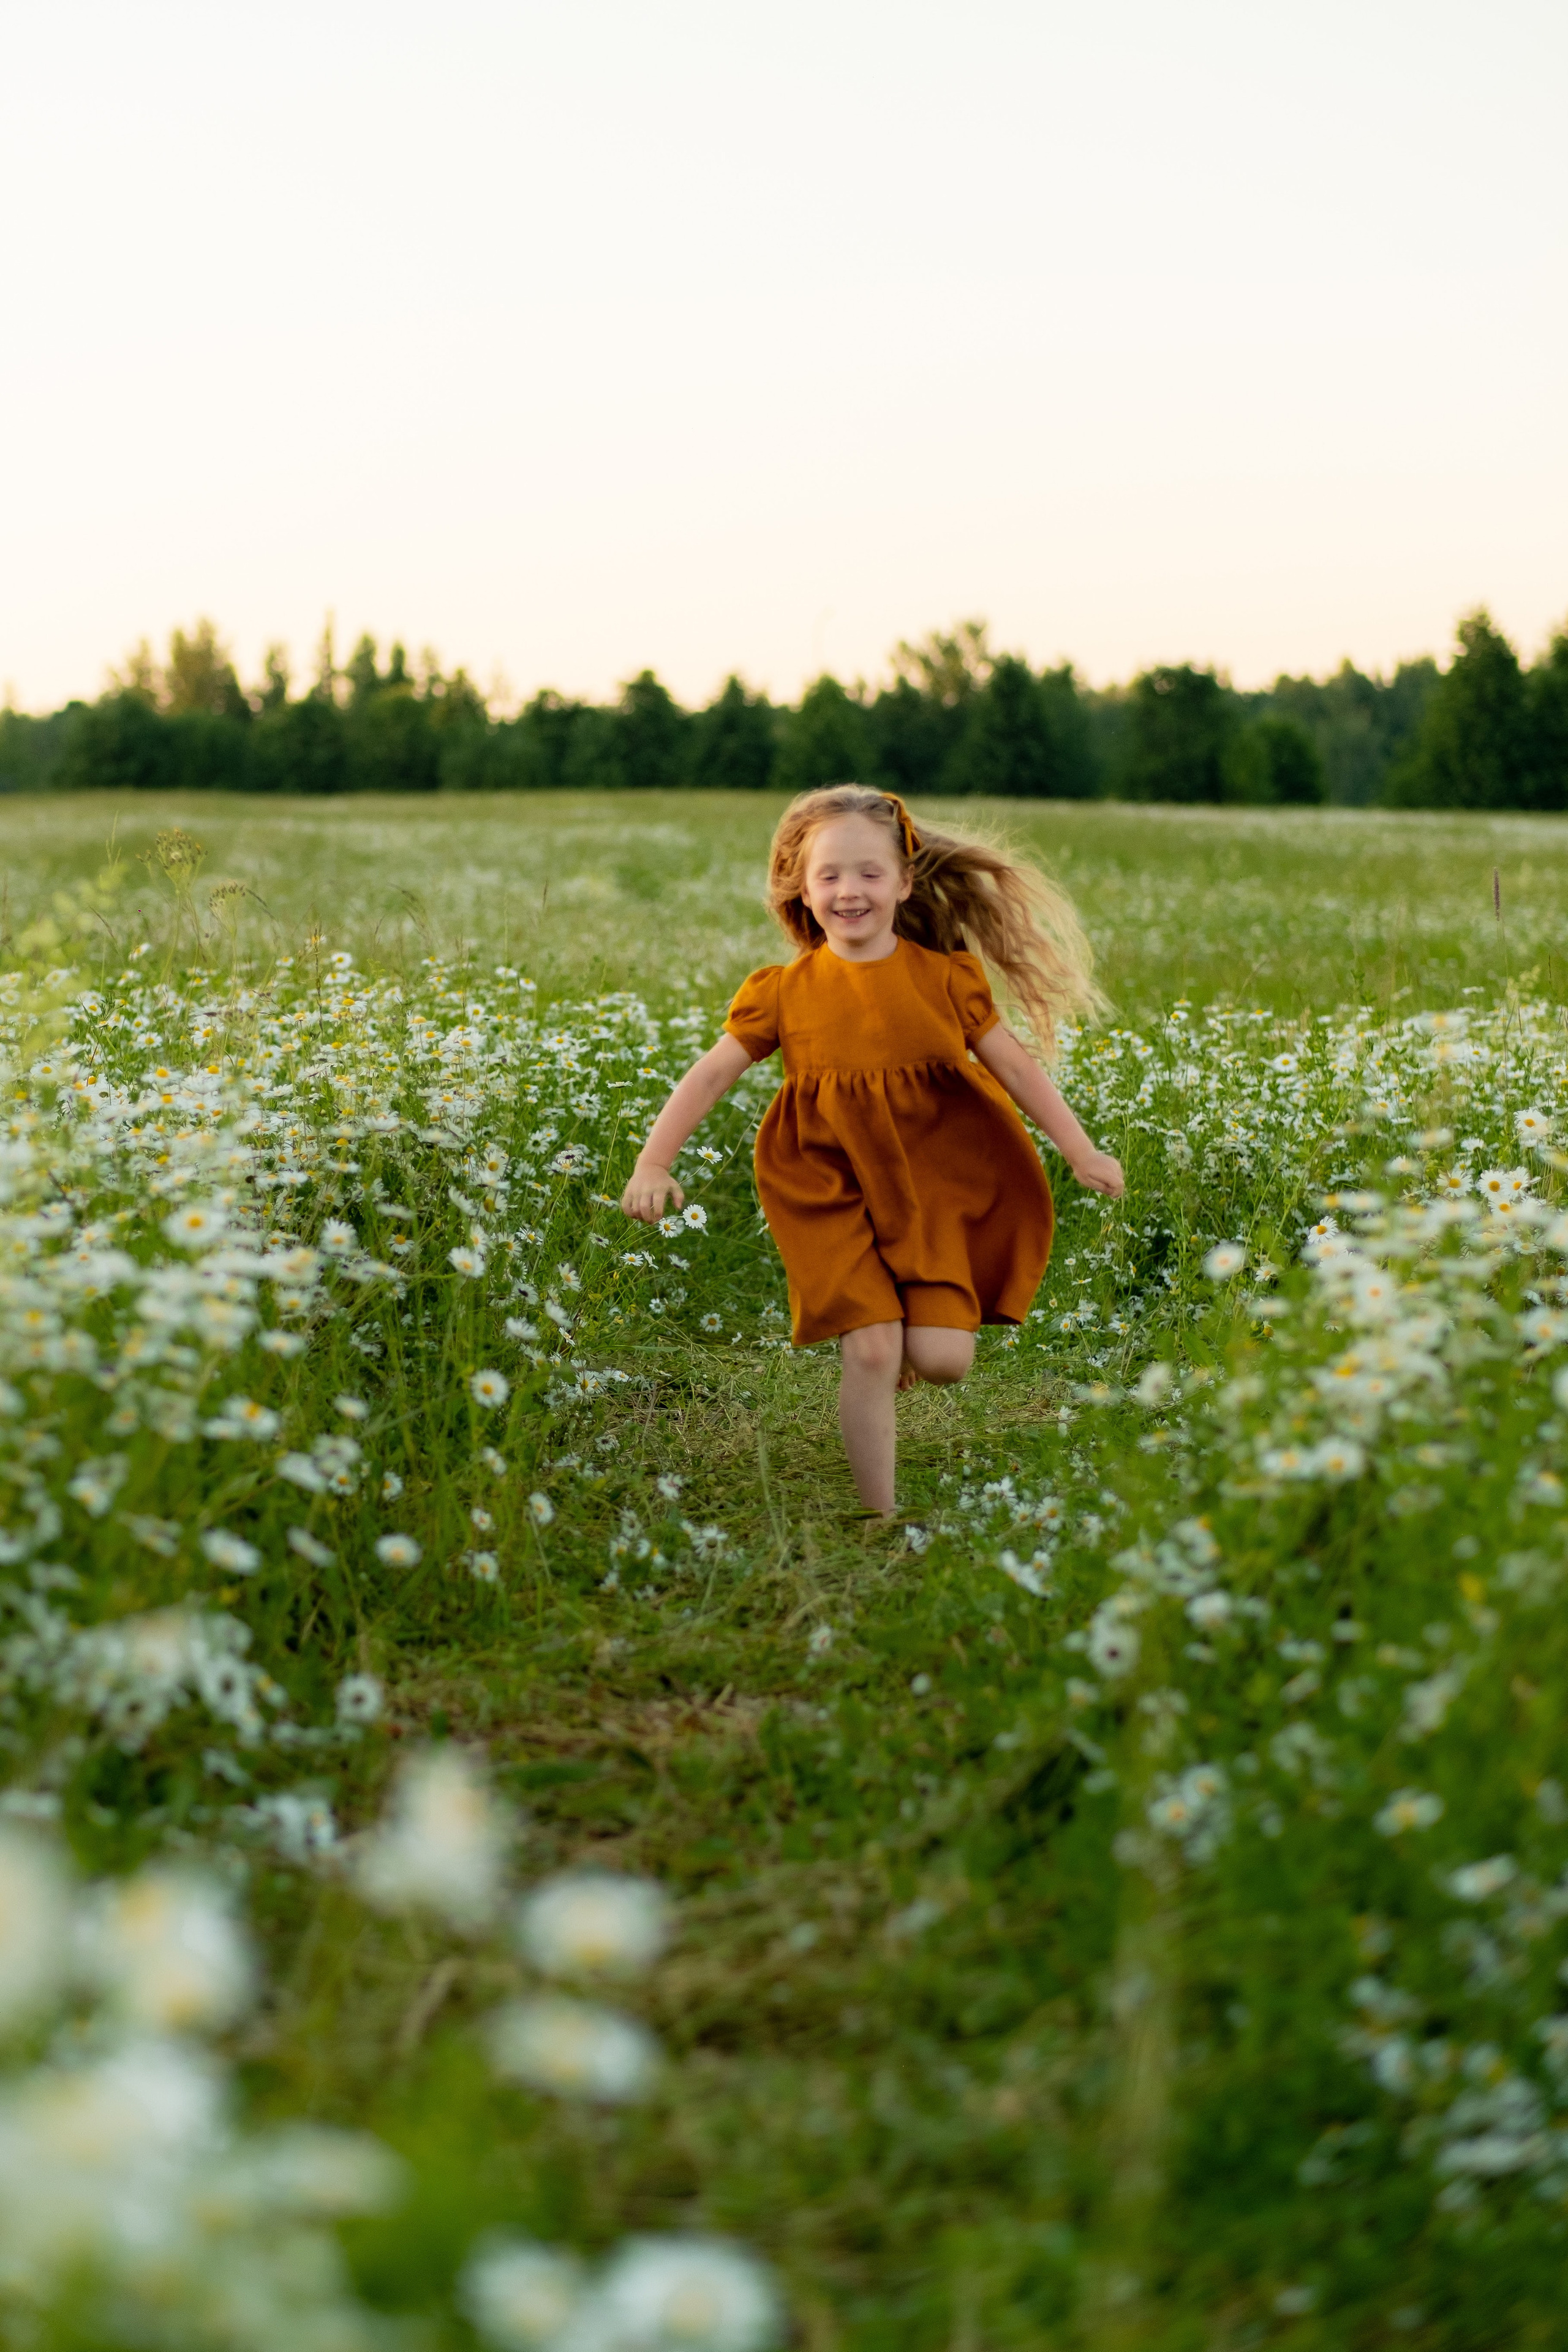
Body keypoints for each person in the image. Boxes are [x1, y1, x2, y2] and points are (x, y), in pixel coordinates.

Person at [620, 785, 1124, 1515]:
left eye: (868, 873)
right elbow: (709, 1074)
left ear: (904, 882)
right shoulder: (782, 992)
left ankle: (893, 1332)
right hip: (824, 1186)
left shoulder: (945, 979)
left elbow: (1015, 1068)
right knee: (871, 1351)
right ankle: (878, 1518)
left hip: (932, 1187)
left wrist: (1080, 1150)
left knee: (942, 1361)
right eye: (828, 875)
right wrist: (652, 1161)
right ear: (802, 888)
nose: (848, 891)